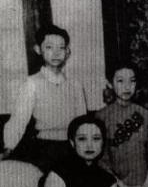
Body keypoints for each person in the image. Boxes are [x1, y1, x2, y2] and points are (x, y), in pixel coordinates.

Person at [2, 24, 87, 171]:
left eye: (61, 48)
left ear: (67, 52)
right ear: (38, 49)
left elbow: (82, 123)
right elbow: (18, 120)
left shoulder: (75, 85)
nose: (56, 53)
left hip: (73, 149)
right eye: (49, 47)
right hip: (44, 150)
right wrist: (8, 148)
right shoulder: (32, 83)